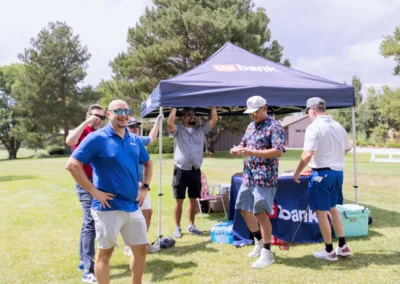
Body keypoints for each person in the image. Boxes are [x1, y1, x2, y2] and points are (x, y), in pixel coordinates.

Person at [65, 100, 153, 284]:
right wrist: (93, 191)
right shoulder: (97, 138)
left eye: (126, 110)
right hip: (107, 207)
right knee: (105, 253)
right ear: (108, 114)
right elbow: (72, 165)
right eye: (118, 111)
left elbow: (148, 162)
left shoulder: (134, 138)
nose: (123, 114)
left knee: (141, 249)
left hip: (132, 205)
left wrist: (144, 188)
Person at [293, 97, 352, 261]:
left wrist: (297, 172)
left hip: (321, 174)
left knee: (321, 212)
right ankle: (342, 245)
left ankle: (329, 250)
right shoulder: (338, 125)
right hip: (337, 173)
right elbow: (347, 148)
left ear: (312, 110)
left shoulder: (314, 127)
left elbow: (308, 153)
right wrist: (332, 156)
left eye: (308, 112)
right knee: (333, 209)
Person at [230, 95, 284, 269]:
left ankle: (267, 253)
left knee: (261, 213)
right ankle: (259, 242)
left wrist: (252, 152)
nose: (252, 115)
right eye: (250, 113)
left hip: (265, 176)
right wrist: (237, 150)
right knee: (244, 209)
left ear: (264, 108)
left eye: (255, 112)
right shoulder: (251, 126)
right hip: (249, 175)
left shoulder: (274, 126)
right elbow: (243, 144)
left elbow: (278, 151)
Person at [66, 103, 105, 283]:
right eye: (95, 115)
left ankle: (83, 260)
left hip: (98, 182)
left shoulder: (101, 134)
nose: (98, 119)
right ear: (88, 115)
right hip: (84, 183)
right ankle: (89, 271)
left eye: (101, 117)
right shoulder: (83, 131)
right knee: (91, 223)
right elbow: (70, 141)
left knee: (88, 222)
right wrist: (87, 122)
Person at [167, 106, 218, 238]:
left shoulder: (200, 130)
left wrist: (213, 105)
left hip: (195, 169)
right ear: (183, 117)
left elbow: (214, 119)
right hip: (180, 169)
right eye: (189, 114)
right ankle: (177, 228)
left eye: (194, 114)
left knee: (193, 199)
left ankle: (191, 225)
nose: (192, 116)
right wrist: (174, 107)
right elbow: (169, 123)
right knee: (179, 200)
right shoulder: (178, 129)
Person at [124, 115, 163, 255]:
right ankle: (130, 245)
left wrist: (157, 123)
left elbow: (151, 138)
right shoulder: (121, 142)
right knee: (130, 217)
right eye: (132, 126)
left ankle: (142, 242)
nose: (135, 129)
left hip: (142, 187)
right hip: (128, 185)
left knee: (147, 212)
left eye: (137, 126)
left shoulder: (137, 140)